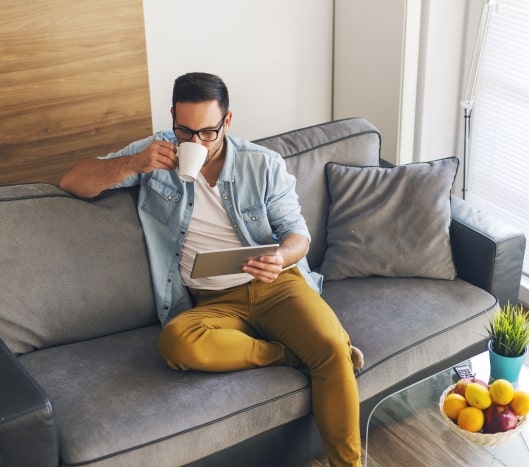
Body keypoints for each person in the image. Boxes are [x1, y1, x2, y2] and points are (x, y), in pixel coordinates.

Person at [59, 72, 363, 466]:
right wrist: (135, 163)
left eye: (208, 132)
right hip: (213, 302)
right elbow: (72, 181)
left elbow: (297, 235)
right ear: (172, 118)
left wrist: (281, 258)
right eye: (185, 131)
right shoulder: (154, 153)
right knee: (177, 343)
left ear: (227, 121)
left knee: (330, 352)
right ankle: (286, 353)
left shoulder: (263, 164)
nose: (196, 142)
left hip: (275, 284)